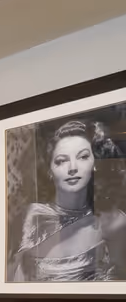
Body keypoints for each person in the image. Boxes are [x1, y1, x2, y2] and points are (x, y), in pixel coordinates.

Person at [8, 117, 126, 282]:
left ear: (95, 163)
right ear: (49, 169)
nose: (72, 168)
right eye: (61, 161)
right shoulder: (31, 217)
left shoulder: (113, 221)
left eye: (83, 157)